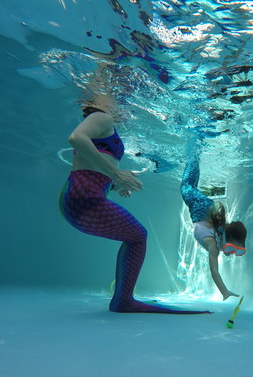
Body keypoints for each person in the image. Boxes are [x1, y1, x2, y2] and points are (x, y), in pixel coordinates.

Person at [59, 95, 210, 314]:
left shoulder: (103, 122)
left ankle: (123, 297)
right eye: (124, 101)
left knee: (135, 236)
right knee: (138, 236)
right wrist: (116, 174)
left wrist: (113, 184)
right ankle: (124, 300)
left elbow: (88, 165)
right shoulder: (102, 116)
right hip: (84, 197)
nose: (127, 110)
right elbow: (76, 138)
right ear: (108, 99)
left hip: (78, 196)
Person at [180, 139, 247, 301]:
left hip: (204, 209)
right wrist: (224, 291)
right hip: (199, 208)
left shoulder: (219, 236)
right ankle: (193, 147)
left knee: (191, 184)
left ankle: (195, 150)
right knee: (185, 185)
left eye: (238, 252)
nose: (230, 254)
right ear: (226, 238)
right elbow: (214, 271)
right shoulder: (213, 245)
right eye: (232, 248)